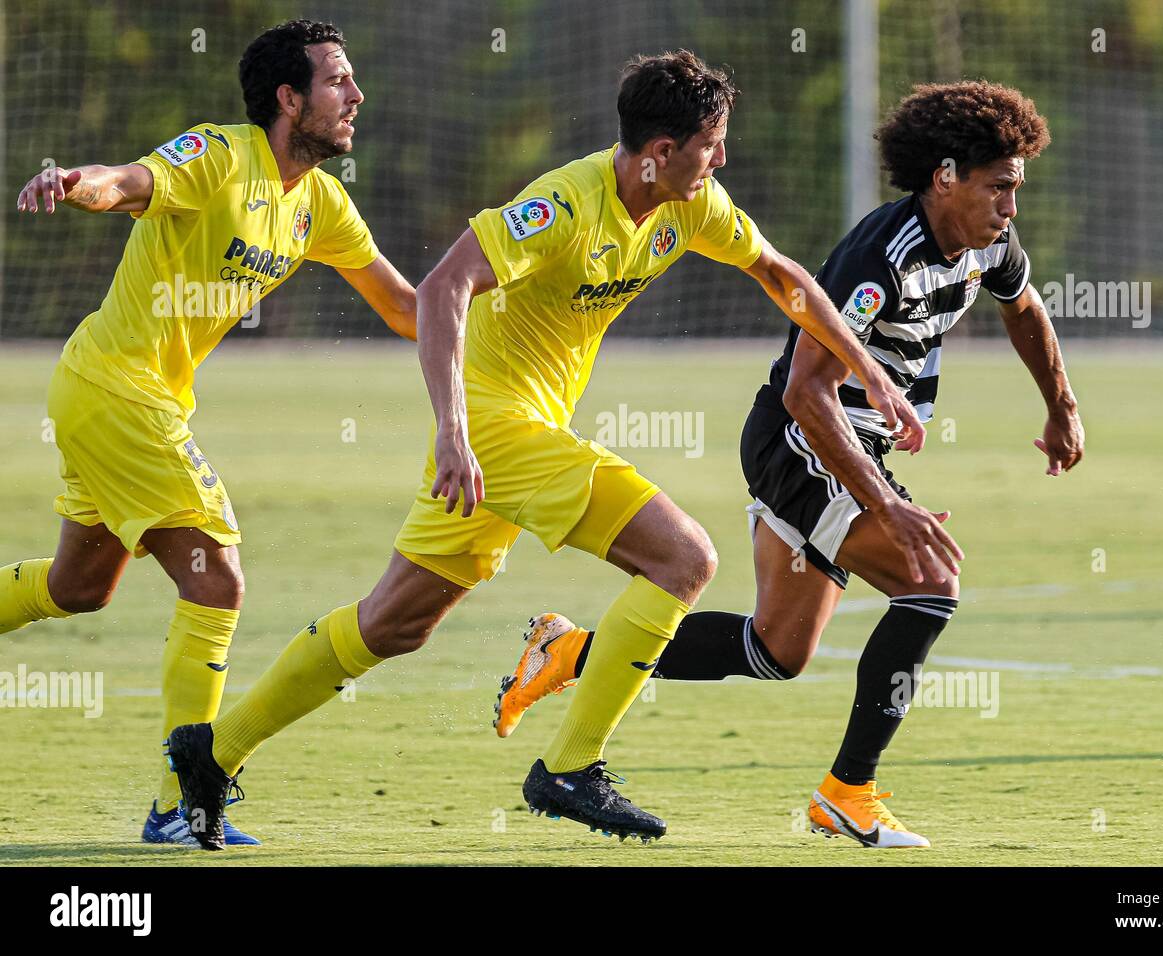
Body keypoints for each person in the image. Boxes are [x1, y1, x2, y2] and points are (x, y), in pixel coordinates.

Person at [165, 50, 926, 849]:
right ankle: (570, 767)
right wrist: (454, 429)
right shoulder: (566, 203)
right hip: (492, 429)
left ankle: (212, 752)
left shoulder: (691, 203)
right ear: (661, 151)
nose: (723, 157)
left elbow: (784, 278)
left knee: (394, 624)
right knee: (684, 560)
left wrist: (869, 371)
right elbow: (444, 287)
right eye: (713, 142)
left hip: (512, 438)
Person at [496, 80, 1085, 849]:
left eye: (1016, 189)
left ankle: (568, 651)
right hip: (804, 439)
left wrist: (1061, 404)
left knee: (776, 650)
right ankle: (849, 793)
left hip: (842, 444)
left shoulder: (989, 245)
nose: (1011, 206)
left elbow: (1025, 307)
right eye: (999, 187)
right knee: (931, 583)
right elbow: (809, 392)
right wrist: (888, 506)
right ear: (945, 176)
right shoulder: (883, 258)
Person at [2, 19, 419, 847]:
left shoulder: (322, 203)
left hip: (118, 398)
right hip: (117, 393)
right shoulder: (223, 156)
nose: (356, 96)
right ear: (288, 98)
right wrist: (75, 179)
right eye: (338, 81)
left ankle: (174, 802)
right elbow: (128, 183)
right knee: (217, 577)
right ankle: (178, 803)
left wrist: (512, 292)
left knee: (80, 586)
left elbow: (408, 310)